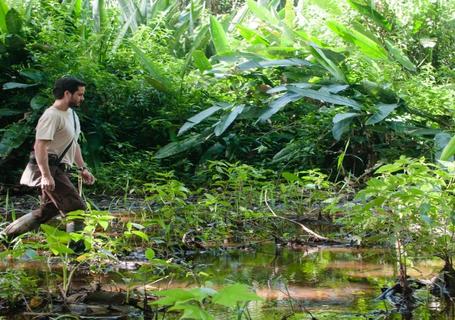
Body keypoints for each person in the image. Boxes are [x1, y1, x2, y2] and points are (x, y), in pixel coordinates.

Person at [2, 76, 95, 239]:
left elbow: (74, 144)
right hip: (47, 168)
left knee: (48, 210)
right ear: (67, 93)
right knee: (76, 208)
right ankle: (76, 252)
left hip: (58, 168)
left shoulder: (72, 115)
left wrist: (83, 168)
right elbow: (40, 146)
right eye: (79, 94)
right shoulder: (51, 115)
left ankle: (5, 236)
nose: (83, 98)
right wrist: (46, 175)